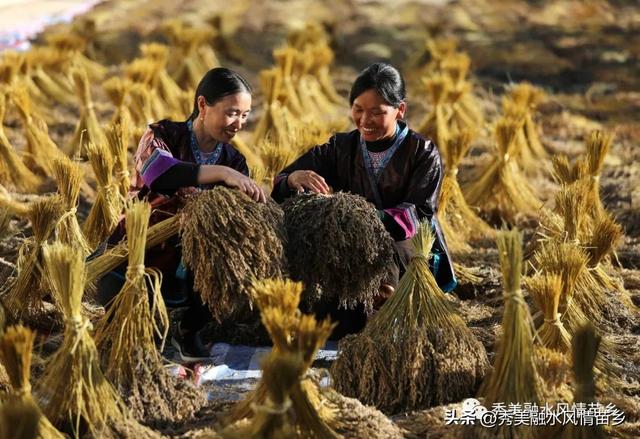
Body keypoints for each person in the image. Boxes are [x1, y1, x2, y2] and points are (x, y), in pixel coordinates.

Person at [271, 63, 456, 331]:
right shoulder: (341, 147)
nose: (365, 121)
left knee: (378, 292)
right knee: (330, 315)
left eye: (377, 112)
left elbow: (417, 214)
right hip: (351, 249)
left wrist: (361, 219)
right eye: (358, 110)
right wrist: (292, 178)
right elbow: (280, 182)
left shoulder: (421, 153)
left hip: (403, 247)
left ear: (400, 110)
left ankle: (386, 297)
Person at [97, 67, 266, 362]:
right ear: (203, 105)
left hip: (192, 265)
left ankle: (190, 328)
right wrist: (221, 174)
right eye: (231, 113)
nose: (239, 123)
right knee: (143, 338)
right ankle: (152, 322)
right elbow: (160, 174)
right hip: (137, 257)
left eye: (245, 114)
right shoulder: (162, 135)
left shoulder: (235, 160)